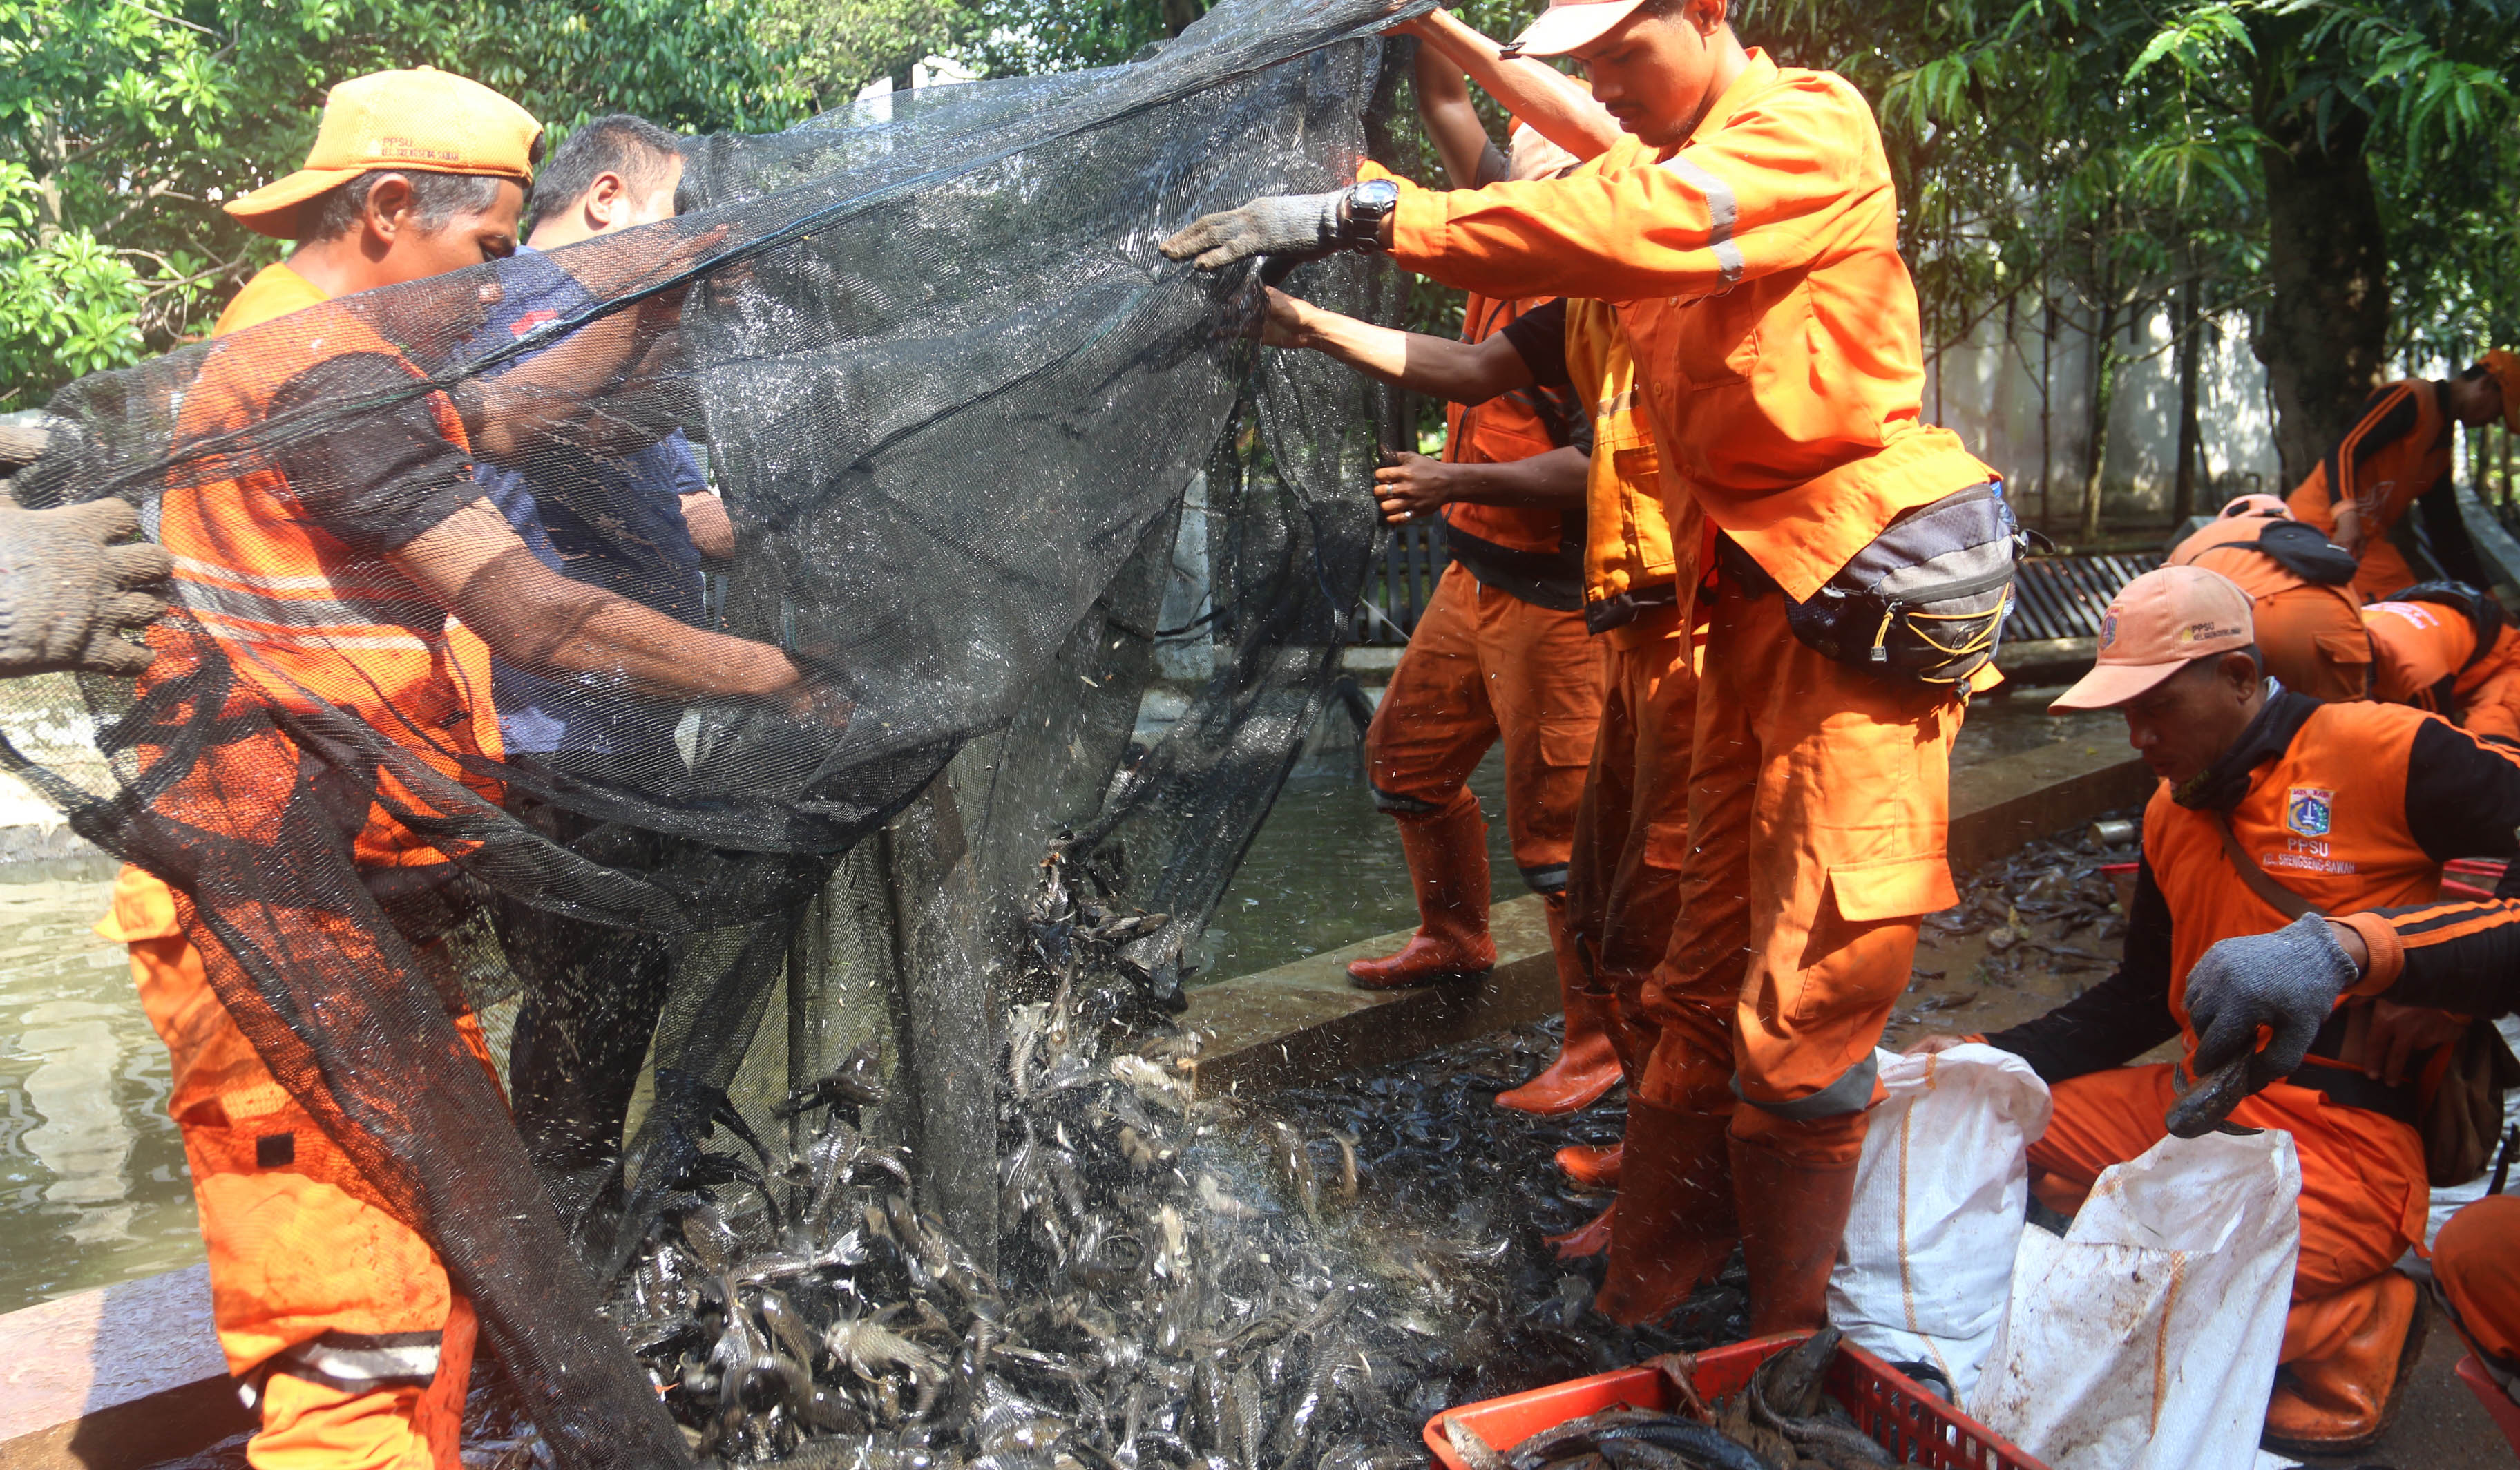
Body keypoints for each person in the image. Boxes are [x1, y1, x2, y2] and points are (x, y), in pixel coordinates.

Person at [1166, 0, 2003, 1333]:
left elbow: (1626, 206)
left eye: (1624, 54)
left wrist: (1359, 216)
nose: (1604, 89)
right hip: (1718, 611)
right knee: (1685, 969)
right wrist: (1432, 33)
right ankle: (1645, 1292)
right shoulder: (1648, 170)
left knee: (1804, 1005)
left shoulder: (1804, 129)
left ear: (1710, 13)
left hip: (1843, 617)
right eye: (1589, 68)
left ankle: (1786, 1338)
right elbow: (1558, 150)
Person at [98, 68, 840, 1469]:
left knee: (432, 1296)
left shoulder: (332, 348)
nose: (498, 294)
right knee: (357, 1339)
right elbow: (532, 613)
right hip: (270, 917)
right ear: (387, 211)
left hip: (340, 901)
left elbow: (505, 421)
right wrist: (785, 678)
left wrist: (660, 297)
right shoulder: (324, 375)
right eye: (489, 254)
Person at [1909, 563, 2520, 1455]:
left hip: (2345, 1134)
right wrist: (1979, 1054)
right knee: (1981, 1128)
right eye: (2127, 714)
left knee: (2122, 1307)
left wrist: (2440, 983)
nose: (2141, 736)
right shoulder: (2168, 812)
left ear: (2240, 678)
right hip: (2195, 1100)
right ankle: (2180, 1255)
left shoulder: (2383, 747)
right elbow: (2137, 1001)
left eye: (2159, 707)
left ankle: (2350, 1327)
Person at [443, 113, 741, 1263]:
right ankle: (569, 1284)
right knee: (582, 1020)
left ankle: (580, 1239)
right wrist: (660, 305)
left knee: (612, 1004)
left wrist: (835, 489)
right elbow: (525, 421)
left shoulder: (614, 329)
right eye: (679, 219)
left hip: (626, 738)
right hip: (544, 737)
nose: (692, 251)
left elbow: (692, 520)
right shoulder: (509, 306)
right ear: (609, 200)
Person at [1323, 48, 1619, 1118]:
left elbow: (1599, 473)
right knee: (1404, 759)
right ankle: (1455, 935)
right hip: (1476, 572)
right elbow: (1448, 101)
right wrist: (1414, 26)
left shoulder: (1599, 291)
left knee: (1558, 838)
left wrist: (1457, 476)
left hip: (1563, 600)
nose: (1503, 197)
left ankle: (1595, 1045)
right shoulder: (1506, 219)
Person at [2177, 894, 2520, 1431]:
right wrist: (2342, 949)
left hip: (2362, 1131)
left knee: (2184, 1302)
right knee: (2484, 1250)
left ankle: (2357, 1327)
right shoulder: (2173, 823)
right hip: (2234, 1097)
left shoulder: (2432, 806)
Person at [2284, 354, 2520, 600]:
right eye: (2499, 410)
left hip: (2362, 543)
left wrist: (2488, 597)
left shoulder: (2440, 443)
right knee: (2403, 616)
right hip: (2320, 527)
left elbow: (2446, 530)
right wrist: (2347, 517)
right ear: (2485, 385)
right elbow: (2346, 449)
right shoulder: (2412, 396)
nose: (2493, 420)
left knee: (2411, 612)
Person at [2165, 493, 2367, 700]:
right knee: (2339, 724)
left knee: (2236, 724)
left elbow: (2166, 610)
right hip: (2329, 626)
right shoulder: (2312, 540)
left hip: (2241, 629)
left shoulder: (2197, 541)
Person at [2361, 582, 2520, 745]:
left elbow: (2441, 742)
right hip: (2455, 662)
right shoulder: (2349, 628)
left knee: (2492, 735)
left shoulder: (2416, 669)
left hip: (2503, 663)